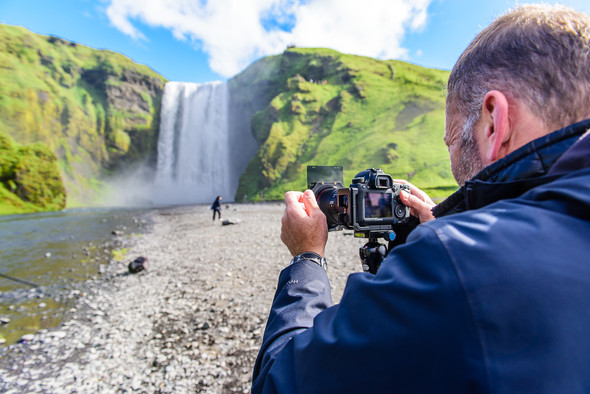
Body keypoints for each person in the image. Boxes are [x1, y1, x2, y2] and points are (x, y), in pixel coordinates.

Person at [252, 4, 590, 393]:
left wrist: (307, 257)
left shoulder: (455, 262)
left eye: (452, 142)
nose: (452, 160)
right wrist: (446, 226)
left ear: (494, 122)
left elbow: (278, 382)